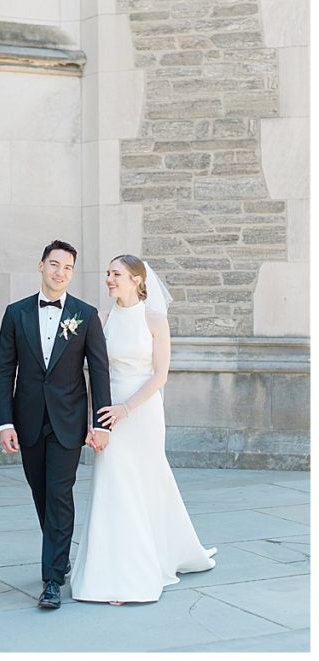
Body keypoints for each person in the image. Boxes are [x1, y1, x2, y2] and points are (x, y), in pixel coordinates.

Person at [70, 255, 217, 604]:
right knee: (113, 485)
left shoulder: (155, 319)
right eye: (107, 273)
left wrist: (127, 408)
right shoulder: (101, 319)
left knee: (146, 482)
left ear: (137, 279)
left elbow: (160, 375)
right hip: (109, 413)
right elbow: (93, 373)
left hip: (143, 411)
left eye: (116, 274)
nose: (109, 279)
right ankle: (112, 571)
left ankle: (140, 569)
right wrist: (96, 420)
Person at [0, 239, 112, 610]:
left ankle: (52, 579)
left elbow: (99, 371)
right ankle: (58, 556)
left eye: (68, 268)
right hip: (27, 422)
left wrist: (101, 422)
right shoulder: (16, 313)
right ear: (41, 265)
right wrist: (4, 423)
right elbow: (3, 372)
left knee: (59, 495)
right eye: (55, 265)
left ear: (72, 273)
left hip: (67, 422)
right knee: (40, 493)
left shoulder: (86, 315)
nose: (61, 272)